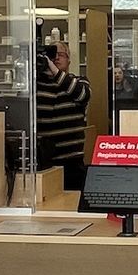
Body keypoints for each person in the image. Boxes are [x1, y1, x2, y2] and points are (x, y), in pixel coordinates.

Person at [37, 41, 91, 190]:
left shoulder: (79, 81)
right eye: (51, 54)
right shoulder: (37, 85)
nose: (56, 58)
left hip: (72, 161)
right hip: (44, 161)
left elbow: (82, 95)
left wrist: (55, 71)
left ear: (69, 60)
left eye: (60, 54)